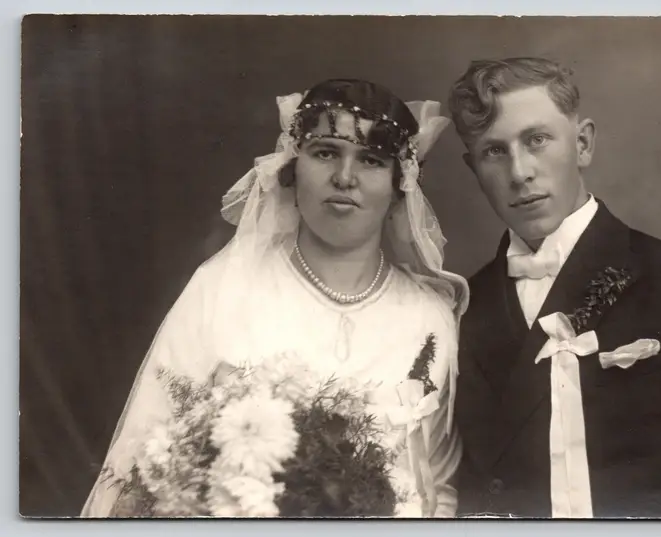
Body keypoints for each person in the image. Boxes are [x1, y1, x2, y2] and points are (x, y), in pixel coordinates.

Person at [81, 79, 469, 518]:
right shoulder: (223, 288)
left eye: (371, 160)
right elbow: (143, 468)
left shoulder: (429, 319)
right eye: (325, 152)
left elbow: (438, 488)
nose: (345, 178)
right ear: (292, 165)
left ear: (401, 185)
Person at [447, 57, 661, 518]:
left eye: (537, 140)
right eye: (494, 151)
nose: (520, 171)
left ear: (583, 143)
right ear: (473, 168)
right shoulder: (461, 308)